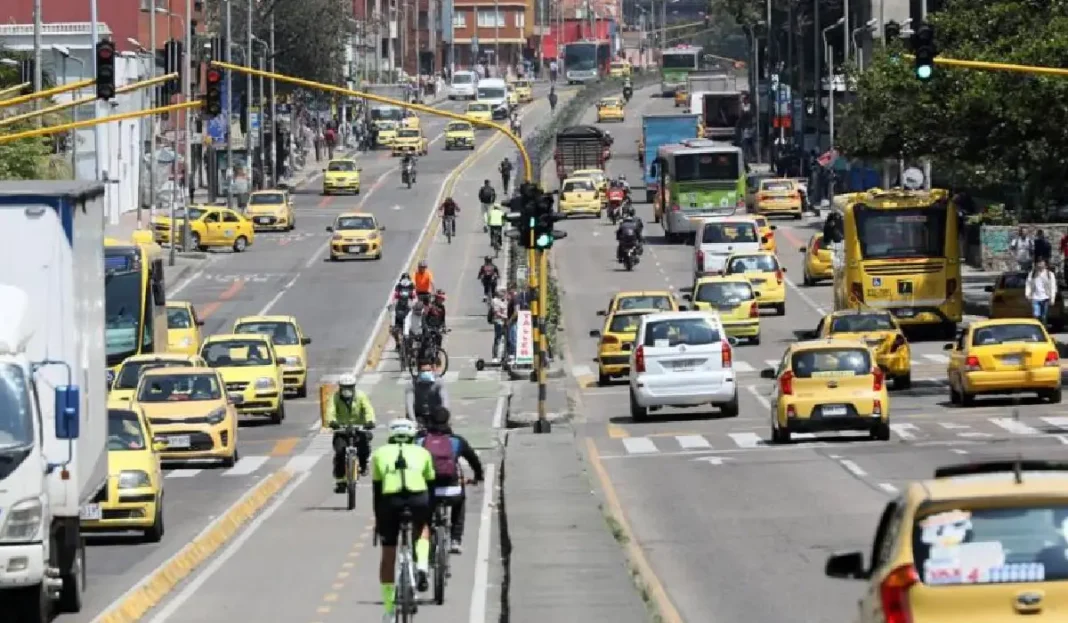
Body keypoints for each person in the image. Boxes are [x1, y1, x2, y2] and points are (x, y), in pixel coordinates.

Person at [372, 418, 435, 621]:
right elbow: (430, 485)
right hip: (418, 499)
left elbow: (377, 492)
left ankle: (389, 610)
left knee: (388, 554)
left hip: (390, 502)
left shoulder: (380, 453)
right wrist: (429, 515)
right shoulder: (423, 452)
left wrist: (379, 520)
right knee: (423, 528)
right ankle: (422, 566)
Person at [415, 407, 484, 554]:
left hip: (429, 492)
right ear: (448, 421)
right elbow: (474, 461)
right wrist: (478, 476)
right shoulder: (457, 441)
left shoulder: (420, 441)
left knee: (424, 512)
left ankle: (424, 538)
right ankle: (455, 540)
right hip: (452, 491)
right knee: (459, 503)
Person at [325, 374, 376, 490]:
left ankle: (363, 464)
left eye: (349, 387)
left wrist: (370, 422)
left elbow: (368, 409)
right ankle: (340, 480)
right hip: (341, 430)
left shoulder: (361, 396)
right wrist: (332, 422)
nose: (346, 390)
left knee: (364, 447)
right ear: (340, 387)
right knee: (339, 452)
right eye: (344, 387)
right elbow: (330, 411)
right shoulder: (335, 397)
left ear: (354, 387)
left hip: (359, 428)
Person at [1026, 259, 1057, 326]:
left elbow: (1053, 287)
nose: (1040, 266)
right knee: (1036, 315)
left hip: (1045, 298)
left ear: (1045, 265)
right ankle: (1036, 330)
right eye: (1039, 264)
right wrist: (1027, 294)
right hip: (1035, 298)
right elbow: (1028, 284)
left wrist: (1052, 298)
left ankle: (1044, 329)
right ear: (1036, 265)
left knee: (1043, 316)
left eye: (1042, 264)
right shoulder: (1032, 274)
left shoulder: (1049, 274)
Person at [391, 273, 417, 348]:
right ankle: (397, 342)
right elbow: (394, 296)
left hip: (408, 308)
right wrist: (392, 304)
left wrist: (414, 304)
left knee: (412, 327)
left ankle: (411, 342)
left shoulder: (412, 286)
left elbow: (415, 297)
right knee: (393, 328)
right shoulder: (398, 286)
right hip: (399, 308)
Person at [490, 287, 508, 361]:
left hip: (506, 322)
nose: (504, 293)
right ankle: (495, 356)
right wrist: (505, 317)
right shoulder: (495, 301)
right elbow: (496, 312)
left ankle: (504, 356)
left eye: (504, 292)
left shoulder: (506, 300)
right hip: (499, 322)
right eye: (502, 292)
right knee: (498, 339)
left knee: (507, 340)